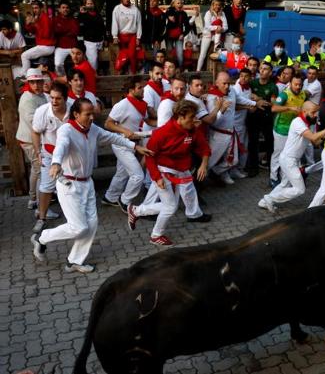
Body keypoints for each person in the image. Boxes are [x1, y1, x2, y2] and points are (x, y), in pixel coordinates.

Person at [31, 98, 152, 270]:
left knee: (92, 224)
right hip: (68, 185)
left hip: (87, 183)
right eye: (87, 114)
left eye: (92, 114)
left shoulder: (93, 129)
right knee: (78, 227)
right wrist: (56, 162)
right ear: (76, 114)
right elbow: (62, 146)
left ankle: (75, 261)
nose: (91, 117)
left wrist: (135, 147)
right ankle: (41, 238)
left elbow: (113, 137)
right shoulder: (66, 130)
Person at [128, 100, 210, 247]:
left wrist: (203, 165)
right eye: (191, 117)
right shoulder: (162, 133)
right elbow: (149, 156)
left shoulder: (193, 130)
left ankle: (136, 210)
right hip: (163, 171)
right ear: (181, 116)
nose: (195, 120)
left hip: (181, 171)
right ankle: (155, 235)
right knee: (170, 207)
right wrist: (157, 177)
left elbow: (204, 148)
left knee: (169, 205)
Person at [259, 101, 325, 212]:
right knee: (300, 189)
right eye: (313, 112)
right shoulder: (298, 122)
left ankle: (264, 201)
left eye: (317, 112)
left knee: (284, 184)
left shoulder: (310, 123)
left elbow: (315, 142)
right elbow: (313, 137)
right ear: (304, 111)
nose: (316, 115)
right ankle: (269, 198)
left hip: (291, 160)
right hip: (288, 160)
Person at [102, 76, 156, 211]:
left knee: (122, 173)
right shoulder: (122, 105)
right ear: (131, 90)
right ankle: (125, 200)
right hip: (122, 144)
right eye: (140, 88)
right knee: (138, 175)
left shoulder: (141, 104)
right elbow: (108, 123)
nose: (143, 90)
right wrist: (123, 130)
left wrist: (164, 123)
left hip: (134, 142)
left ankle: (109, 197)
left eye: (143, 87)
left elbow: (148, 121)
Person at [204, 71, 263, 185]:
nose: (227, 86)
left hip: (231, 132)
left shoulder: (231, 91)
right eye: (224, 84)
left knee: (233, 160)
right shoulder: (212, 97)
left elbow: (240, 99)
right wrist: (221, 109)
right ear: (217, 83)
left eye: (228, 83)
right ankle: (198, 182)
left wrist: (254, 104)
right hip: (217, 135)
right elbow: (212, 120)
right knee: (210, 161)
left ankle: (214, 173)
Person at [31, 82, 69, 233]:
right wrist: (38, 152)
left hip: (69, 155)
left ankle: (74, 217)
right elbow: (35, 132)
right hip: (49, 153)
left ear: (66, 99)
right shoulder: (42, 111)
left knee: (73, 184)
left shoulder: (74, 108)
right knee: (46, 187)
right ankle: (41, 218)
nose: (54, 101)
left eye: (58, 98)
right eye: (52, 98)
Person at [17, 69, 48, 210]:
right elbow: (33, 122)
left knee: (36, 170)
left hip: (32, 138)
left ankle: (33, 199)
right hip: (31, 140)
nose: (36, 85)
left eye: (38, 81)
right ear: (28, 83)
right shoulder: (27, 99)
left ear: (42, 82)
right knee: (41, 171)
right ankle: (41, 209)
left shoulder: (40, 95)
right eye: (32, 82)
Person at [270, 73, 307, 186]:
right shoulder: (284, 95)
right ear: (290, 83)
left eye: (300, 85)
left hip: (295, 131)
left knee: (291, 155)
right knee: (278, 154)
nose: (298, 87)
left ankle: (287, 178)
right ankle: (273, 177)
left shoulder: (303, 95)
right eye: (295, 84)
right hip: (281, 128)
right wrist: (289, 108)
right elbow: (274, 108)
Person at [247, 61, 279, 177]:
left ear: (270, 73)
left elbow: (273, 103)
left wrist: (259, 98)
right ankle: (252, 168)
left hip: (267, 117)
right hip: (253, 116)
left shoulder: (273, 87)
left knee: (269, 143)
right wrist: (256, 100)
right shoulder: (252, 83)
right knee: (253, 143)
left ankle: (272, 168)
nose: (262, 71)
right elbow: (247, 96)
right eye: (261, 68)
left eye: (265, 69)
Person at [111, 0, 143, 74]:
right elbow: (115, 22)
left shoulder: (135, 10)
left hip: (132, 35)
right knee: (122, 56)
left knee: (132, 55)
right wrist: (115, 36)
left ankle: (133, 72)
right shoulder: (117, 9)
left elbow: (139, 24)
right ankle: (122, 73)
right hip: (121, 35)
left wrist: (138, 37)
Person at [21, 1, 55, 77]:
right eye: (33, 8)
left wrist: (36, 23)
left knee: (24, 55)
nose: (34, 10)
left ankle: (26, 76)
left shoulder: (45, 18)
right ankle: (28, 75)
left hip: (47, 46)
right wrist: (28, 24)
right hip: (42, 46)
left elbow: (46, 35)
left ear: (41, 8)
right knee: (26, 56)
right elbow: (33, 31)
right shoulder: (38, 18)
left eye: (36, 8)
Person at [232, 68, 255, 177]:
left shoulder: (248, 89)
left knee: (243, 146)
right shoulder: (236, 89)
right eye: (241, 76)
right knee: (237, 147)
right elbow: (236, 104)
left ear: (250, 78)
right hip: (236, 123)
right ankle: (234, 169)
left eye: (246, 76)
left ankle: (240, 168)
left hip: (244, 122)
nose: (243, 78)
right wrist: (253, 104)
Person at [197, 0, 227, 71]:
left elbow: (226, 27)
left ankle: (222, 70)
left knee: (223, 54)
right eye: (216, 5)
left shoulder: (222, 14)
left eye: (219, 5)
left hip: (218, 35)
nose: (217, 6)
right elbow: (207, 26)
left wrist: (221, 29)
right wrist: (217, 27)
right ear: (212, 5)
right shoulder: (208, 13)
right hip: (208, 35)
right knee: (203, 54)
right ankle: (198, 70)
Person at [77, 0, 106, 71]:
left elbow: (103, 27)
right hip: (90, 42)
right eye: (88, 4)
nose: (90, 5)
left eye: (91, 3)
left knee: (102, 60)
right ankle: (93, 76)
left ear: (94, 5)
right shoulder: (83, 15)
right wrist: (81, 13)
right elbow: (79, 28)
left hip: (100, 41)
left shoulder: (98, 15)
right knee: (93, 62)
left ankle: (100, 73)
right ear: (85, 5)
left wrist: (105, 38)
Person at [52, 1, 79, 76]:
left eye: (67, 8)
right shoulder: (55, 20)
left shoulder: (73, 20)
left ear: (69, 9)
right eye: (63, 8)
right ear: (59, 9)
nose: (65, 9)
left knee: (79, 63)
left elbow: (75, 32)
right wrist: (67, 30)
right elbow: (56, 31)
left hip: (72, 46)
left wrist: (62, 31)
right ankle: (63, 79)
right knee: (57, 64)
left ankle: (75, 79)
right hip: (60, 47)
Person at [165, 0, 191, 67]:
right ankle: (168, 68)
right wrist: (168, 17)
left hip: (179, 36)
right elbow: (163, 18)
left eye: (181, 3)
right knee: (169, 53)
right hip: (169, 36)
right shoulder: (169, 11)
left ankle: (180, 69)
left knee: (180, 54)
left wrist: (183, 34)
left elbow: (188, 27)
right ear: (173, 4)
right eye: (178, 3)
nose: (180, 5)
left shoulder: (183, 14)